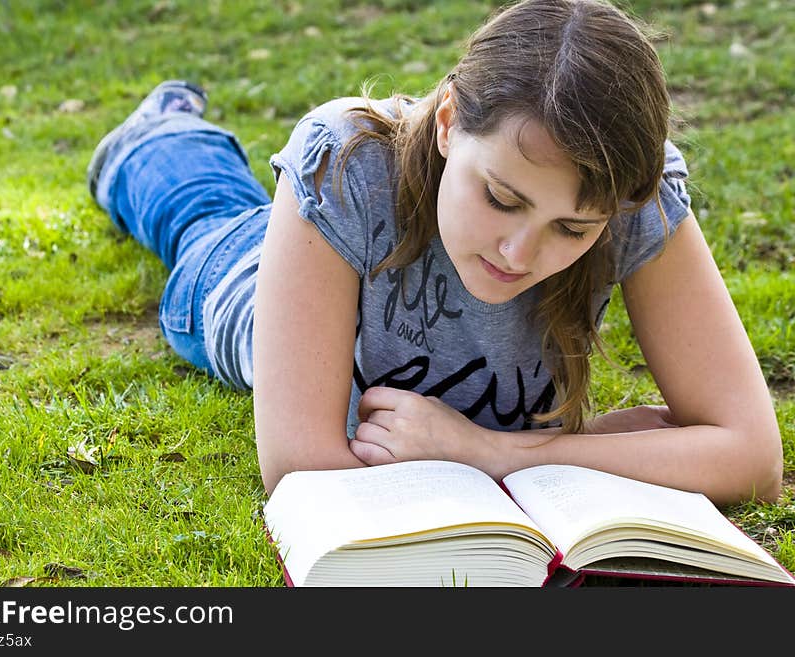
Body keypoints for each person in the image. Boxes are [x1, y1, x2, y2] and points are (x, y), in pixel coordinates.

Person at [86, 0, 782, 505]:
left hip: (339, 273)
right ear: (448, 121)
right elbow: (304, 465)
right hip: (241, 281)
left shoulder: (638, 191)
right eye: (502, 198)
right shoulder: (346, 165)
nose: (519, 250)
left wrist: (493, 451)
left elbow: (750, 455)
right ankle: (158, 132)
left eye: (572, 229)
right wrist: (607, 449)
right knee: (205, 213)